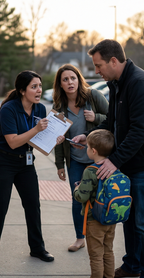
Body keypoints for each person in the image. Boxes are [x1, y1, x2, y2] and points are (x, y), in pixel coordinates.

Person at [72, 39, 144, 278]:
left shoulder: (138, 82)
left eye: (99, 65)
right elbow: (113, 122)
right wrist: (91, 134)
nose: (96, 71)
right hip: (132, 161)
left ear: (114, 61)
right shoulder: (116, 83)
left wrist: (114, 161)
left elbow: (140, 130)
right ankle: (132, 264)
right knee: (128, 216)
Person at [0, 70, 64, 264]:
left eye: (40, 86)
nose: (38, 90)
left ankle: (37, 248)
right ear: (22, 90)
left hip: (26, 162)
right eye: (33, 87)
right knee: (1, 206)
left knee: (33, 205)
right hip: (4, 161)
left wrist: (55, 139)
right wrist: (36, 129)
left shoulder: (40, 109)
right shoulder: (8, 109)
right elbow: (12, 142)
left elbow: (39, 142)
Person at [52, 64, 108, 253]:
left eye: (73, 78)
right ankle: (79, 237)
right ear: (60, 84)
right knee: (78, 198)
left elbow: (113, 119)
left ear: (79, 79)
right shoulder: (59, 107)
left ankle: (100, 236)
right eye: (65, 79)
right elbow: (58, 140)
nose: (70, 82)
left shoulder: (93, 96)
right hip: (75, 160)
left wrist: (96, 117)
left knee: (100, 197)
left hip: (97, 159)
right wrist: (59, 164)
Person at [74, 129, 116, 278]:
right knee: (108, 251)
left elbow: (82, 197)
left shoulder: (91, 170)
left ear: (94, 151)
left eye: (87, 147)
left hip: (94, 219)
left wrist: (76, 189)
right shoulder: (113, 168)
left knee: (96, 254)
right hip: (110, 218)